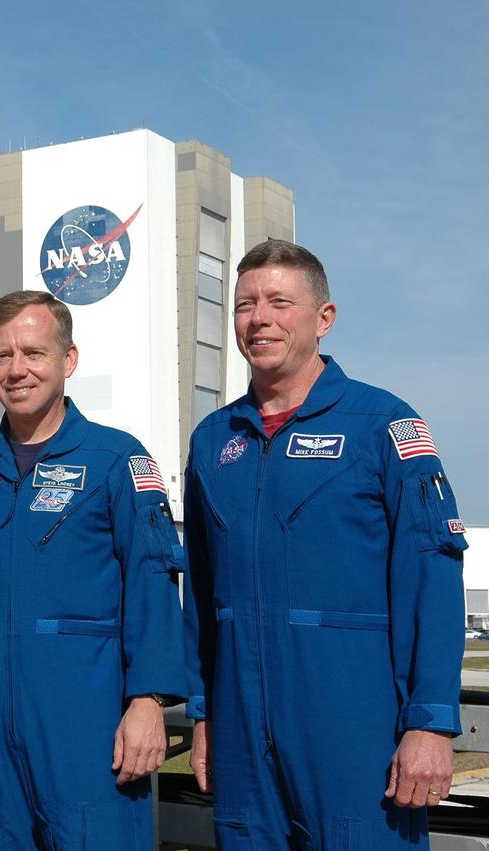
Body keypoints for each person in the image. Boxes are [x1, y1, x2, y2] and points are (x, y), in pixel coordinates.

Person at [181, 239, 468, 848]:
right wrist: (205, 713)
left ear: (324, 319)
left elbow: (433, 581)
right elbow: (201, 597)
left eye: (280, 302)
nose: (259, 318)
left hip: (354, 731)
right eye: (245, 304)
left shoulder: (384, 425)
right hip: (242, 736)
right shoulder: (213, 440)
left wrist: (431, 724)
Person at [0, 291, 187, 849]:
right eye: (2, 355)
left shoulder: (116, 460)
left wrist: (149, 701)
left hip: (87, 726)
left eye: (33, 352)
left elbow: (153, 584)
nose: (16, 369)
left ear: (68, 361)